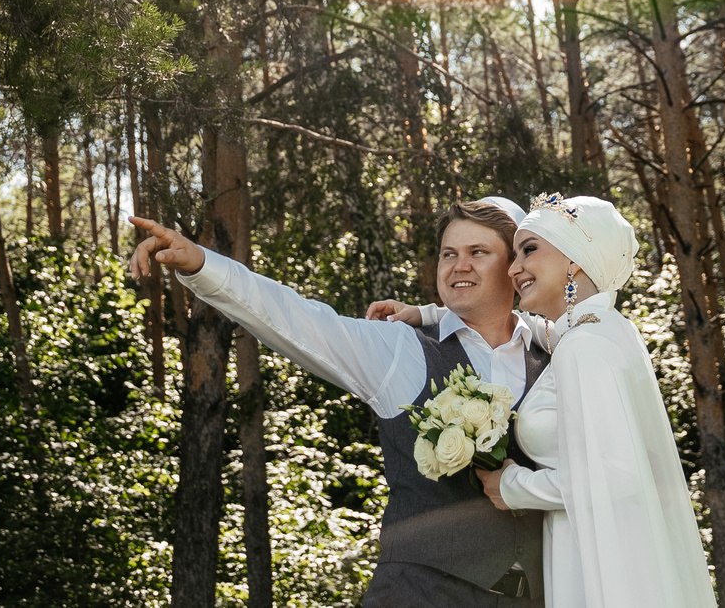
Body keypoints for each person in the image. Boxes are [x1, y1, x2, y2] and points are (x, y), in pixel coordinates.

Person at [127, 197, 547, 604]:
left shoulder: (556, 355)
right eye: (448, 254)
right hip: (418, 594)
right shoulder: (399, 347)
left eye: (478, 252)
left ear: (514, 266)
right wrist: (203, 264)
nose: (459, 266)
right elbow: (299, 320)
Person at [373, 194, 714, 608]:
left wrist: (515, 486)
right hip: (591, 539)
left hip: (594, 553)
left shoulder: (582, 346)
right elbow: (514, 325)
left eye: (529, 250)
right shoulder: (598, 329)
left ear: (574, 260)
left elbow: (618, 474)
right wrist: (428, 314)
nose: (514, 268)